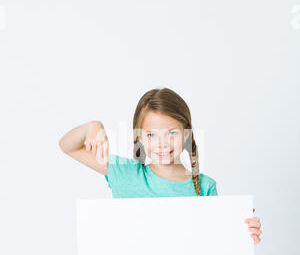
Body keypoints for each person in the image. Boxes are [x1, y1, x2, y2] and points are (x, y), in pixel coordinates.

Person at [58, 87, 262, 244]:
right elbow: (69, 146)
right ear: (139, 138)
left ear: (186, 133)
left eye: (171, 133)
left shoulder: (205, 187)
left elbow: (217, 244)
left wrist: (242, 231)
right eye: (151, 135)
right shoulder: (125, 173)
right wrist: (93, 126)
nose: (162, 143)